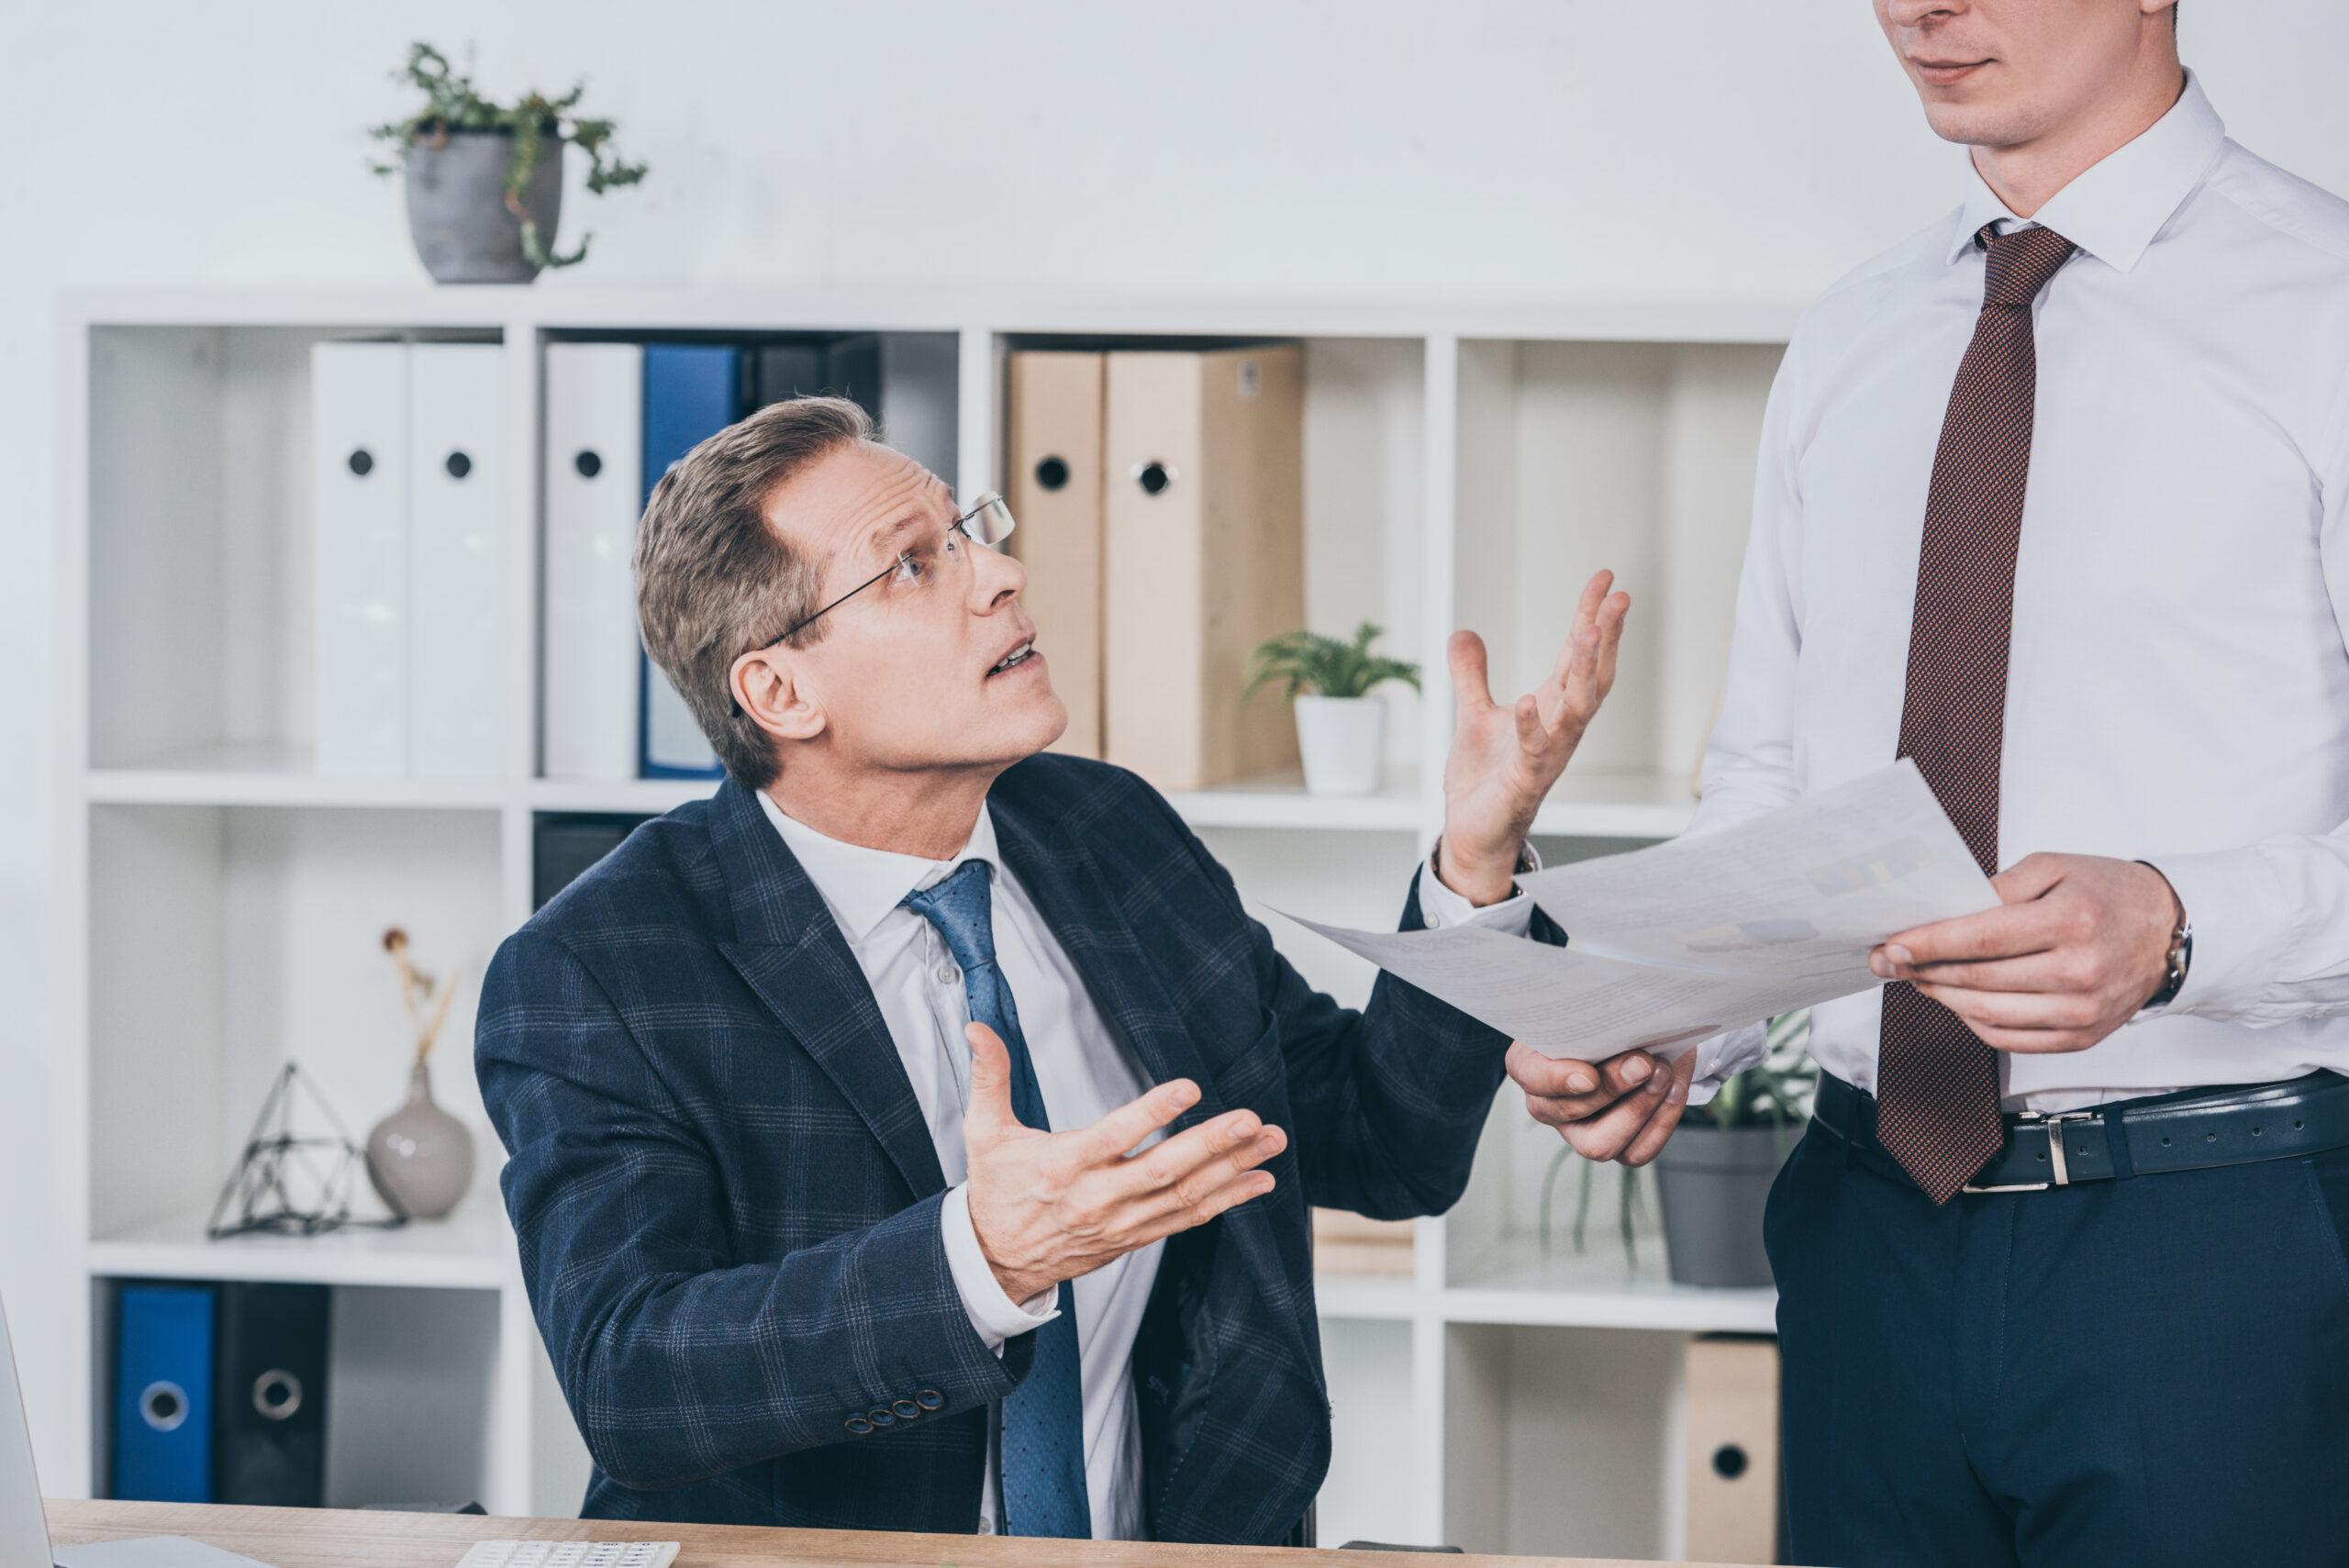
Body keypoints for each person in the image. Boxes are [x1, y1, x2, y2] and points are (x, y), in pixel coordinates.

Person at [476, 394, 1629, 1544]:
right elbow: (631, 1377)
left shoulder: (1106, 830)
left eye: (966, 529)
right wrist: (980, 1259)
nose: (1001, 574)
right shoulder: (595, 971)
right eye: (912, 565)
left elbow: (1380, 1140)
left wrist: (1473, 863)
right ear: (780, 690)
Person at [1508, 3, 2349, 1564]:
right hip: (1869, 1226)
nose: (1920, 7)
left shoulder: (2327, 309)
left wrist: (2181, 925)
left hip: (2217, 1241)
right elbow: (1772, 775)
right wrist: (1672, 1014)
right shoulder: (1856, 333)